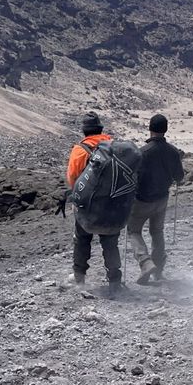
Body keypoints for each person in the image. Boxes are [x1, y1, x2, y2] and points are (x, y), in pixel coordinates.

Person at [66, 112, 122, 289]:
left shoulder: (79, 150)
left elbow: (73, 178)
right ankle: (114, 279)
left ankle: (79, 279)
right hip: (112, 205)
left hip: (87, 206)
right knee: (110, 242)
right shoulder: (115, 147)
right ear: (100, 129)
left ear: (84, 131)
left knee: (82, 240)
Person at [128, 113, 185, 283]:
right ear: (165, 130)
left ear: (150, 129)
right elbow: (179, 177)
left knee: (133, 230)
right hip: (162, 199)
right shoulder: (173, 152)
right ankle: (158, 269)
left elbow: (133, 177)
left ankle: (146, 263)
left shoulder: (142, 152)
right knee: (157, 232)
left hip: (142, 200)